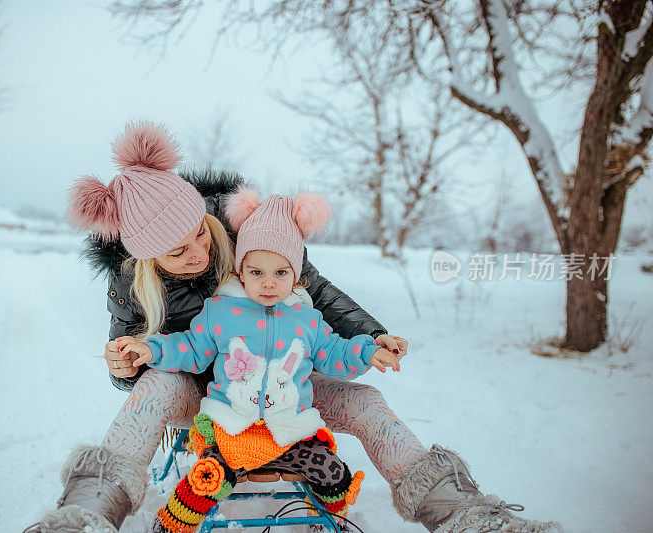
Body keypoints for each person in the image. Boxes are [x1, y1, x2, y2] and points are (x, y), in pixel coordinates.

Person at [29, 121, 559, 533]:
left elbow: (316, 292)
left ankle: (463, 515)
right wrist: (127, 362)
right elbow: (136, 366)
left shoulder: (245, 229)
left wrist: (370, 339)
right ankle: (84, 514)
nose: (199, 252)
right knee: (150, 391)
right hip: (207, 394)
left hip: (288, 387)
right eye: (178, 250)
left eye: (200, 234)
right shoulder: (127, 286)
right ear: (145, 257)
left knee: (368, 402)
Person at [117, 190, 402, 532]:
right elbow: (190, 348)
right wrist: (154, 350)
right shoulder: (221, 312)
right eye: (256, 272)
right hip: (230, 427)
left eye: (281, 273)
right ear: (240, 272)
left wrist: (369, 350)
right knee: (207, 479)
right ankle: (171, 524)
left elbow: (336, 353)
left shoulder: (307, 321)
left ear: (296, 275)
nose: (268, 283)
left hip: (292, 431)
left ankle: (325, 519)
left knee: (333, 474)